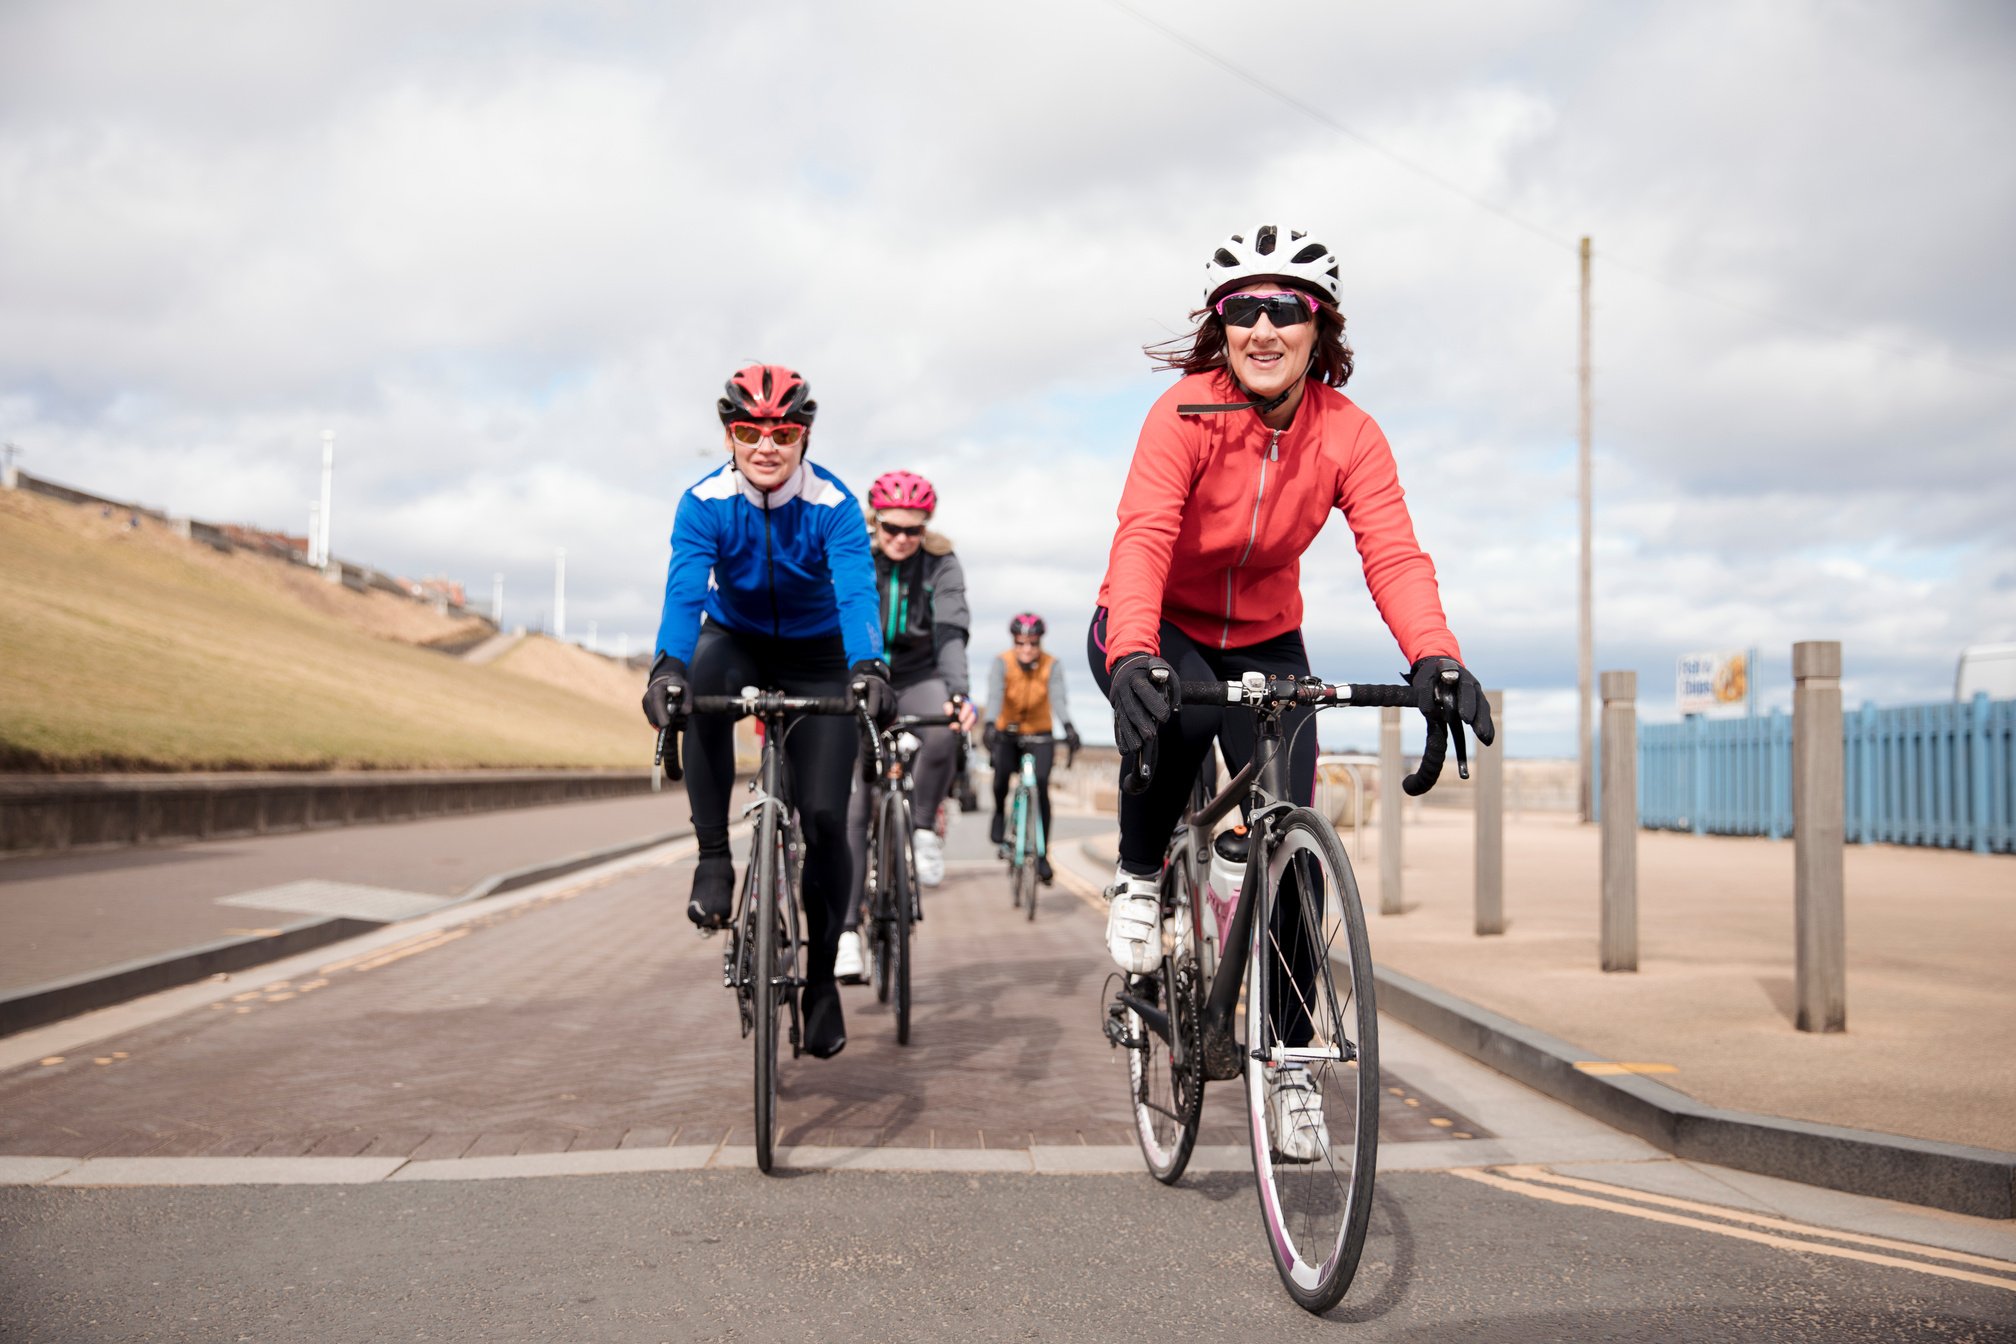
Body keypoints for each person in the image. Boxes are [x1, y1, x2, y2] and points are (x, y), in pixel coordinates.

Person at [1088, 224, 1494, 1157]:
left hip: (1269, 636)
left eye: (1287, 309)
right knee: (1177, 720)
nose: (1263, 327)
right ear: (1221, 326)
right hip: (1160, 623)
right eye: (1243, 310)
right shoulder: (1184, 413)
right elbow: (1145, 533)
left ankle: (1296, 1064)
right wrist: (1132, 653)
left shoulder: (1349, 433)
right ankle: (1142, 871)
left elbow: (1391, 549)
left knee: (1293, 856)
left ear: (1321, 327)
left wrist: (1434, 654)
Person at [641, 363, 895, 1060]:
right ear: (729, 433)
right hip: (738, 639)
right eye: (749, 430)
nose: (765, 445)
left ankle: (820, 984)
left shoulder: (834, 505)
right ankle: (714, 859)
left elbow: (855, 593)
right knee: (698, 689)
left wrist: (868, 666)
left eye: (783, 431)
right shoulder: (703, 502)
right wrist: (667, 664)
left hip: (819, 653)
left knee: (823, 818)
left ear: (803, 435)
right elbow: (685, 589)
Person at [836, 470, 978, 983]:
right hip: (856, 671)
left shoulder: (941, 562)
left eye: (912, 530)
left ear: (926, 528)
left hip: (919, 673)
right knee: (853, 801)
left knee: (944, 728)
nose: (901, 538)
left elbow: (950, 633)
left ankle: (921, 829)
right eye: (891, 527)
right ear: (875, 522)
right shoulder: (855, 554)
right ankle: (847, 931)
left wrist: (959, 692)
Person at [983, 613, 1079, 884]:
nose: (1027, 649)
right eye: (1021, 643)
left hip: (1040, 732)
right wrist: (990, 723)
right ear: (1014, 641)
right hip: (1006, 731)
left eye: (1033, 643)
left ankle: (1041, 854)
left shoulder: (1052, 665)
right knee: (1001, 776)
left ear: (1040, 642)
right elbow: (995, 695)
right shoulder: (1002, 662)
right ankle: (1000, 812)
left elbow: (1058, 698)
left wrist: (1069, 727)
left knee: (1041, 784)